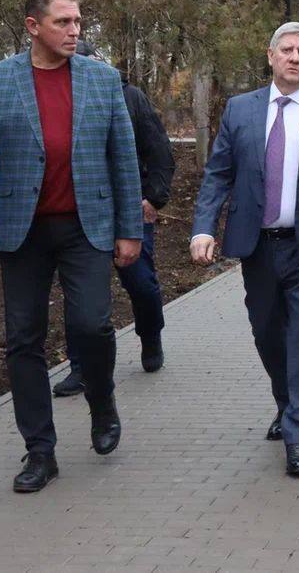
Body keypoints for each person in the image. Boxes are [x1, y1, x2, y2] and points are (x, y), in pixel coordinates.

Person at [0, 0, 143, 494]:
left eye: (78, 21)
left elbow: (124, 161)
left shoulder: (102, 80)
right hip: (24, 230)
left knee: (91, 325)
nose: (74, 30)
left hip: (87, 226)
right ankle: (40, 450)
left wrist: (130, 229)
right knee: (23, 338)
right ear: (33, 26)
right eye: (63, 22)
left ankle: (102, 403)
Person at [191, 21, 299, 478]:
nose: (293, 57)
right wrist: (203, 228)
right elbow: (218, 174)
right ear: (270, 56)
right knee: (268, 331)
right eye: (285, 50)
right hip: (258, 247)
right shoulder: (240, 110)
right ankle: (287, 401)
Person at [53, 41, 176, 397]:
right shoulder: (61, 102)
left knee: (140, 283)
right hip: (77, 214)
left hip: (128, 209)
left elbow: (161, 152)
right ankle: (81, 367)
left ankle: (150, 336)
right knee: (80, 295)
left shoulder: (130, 97)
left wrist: (153, 199)